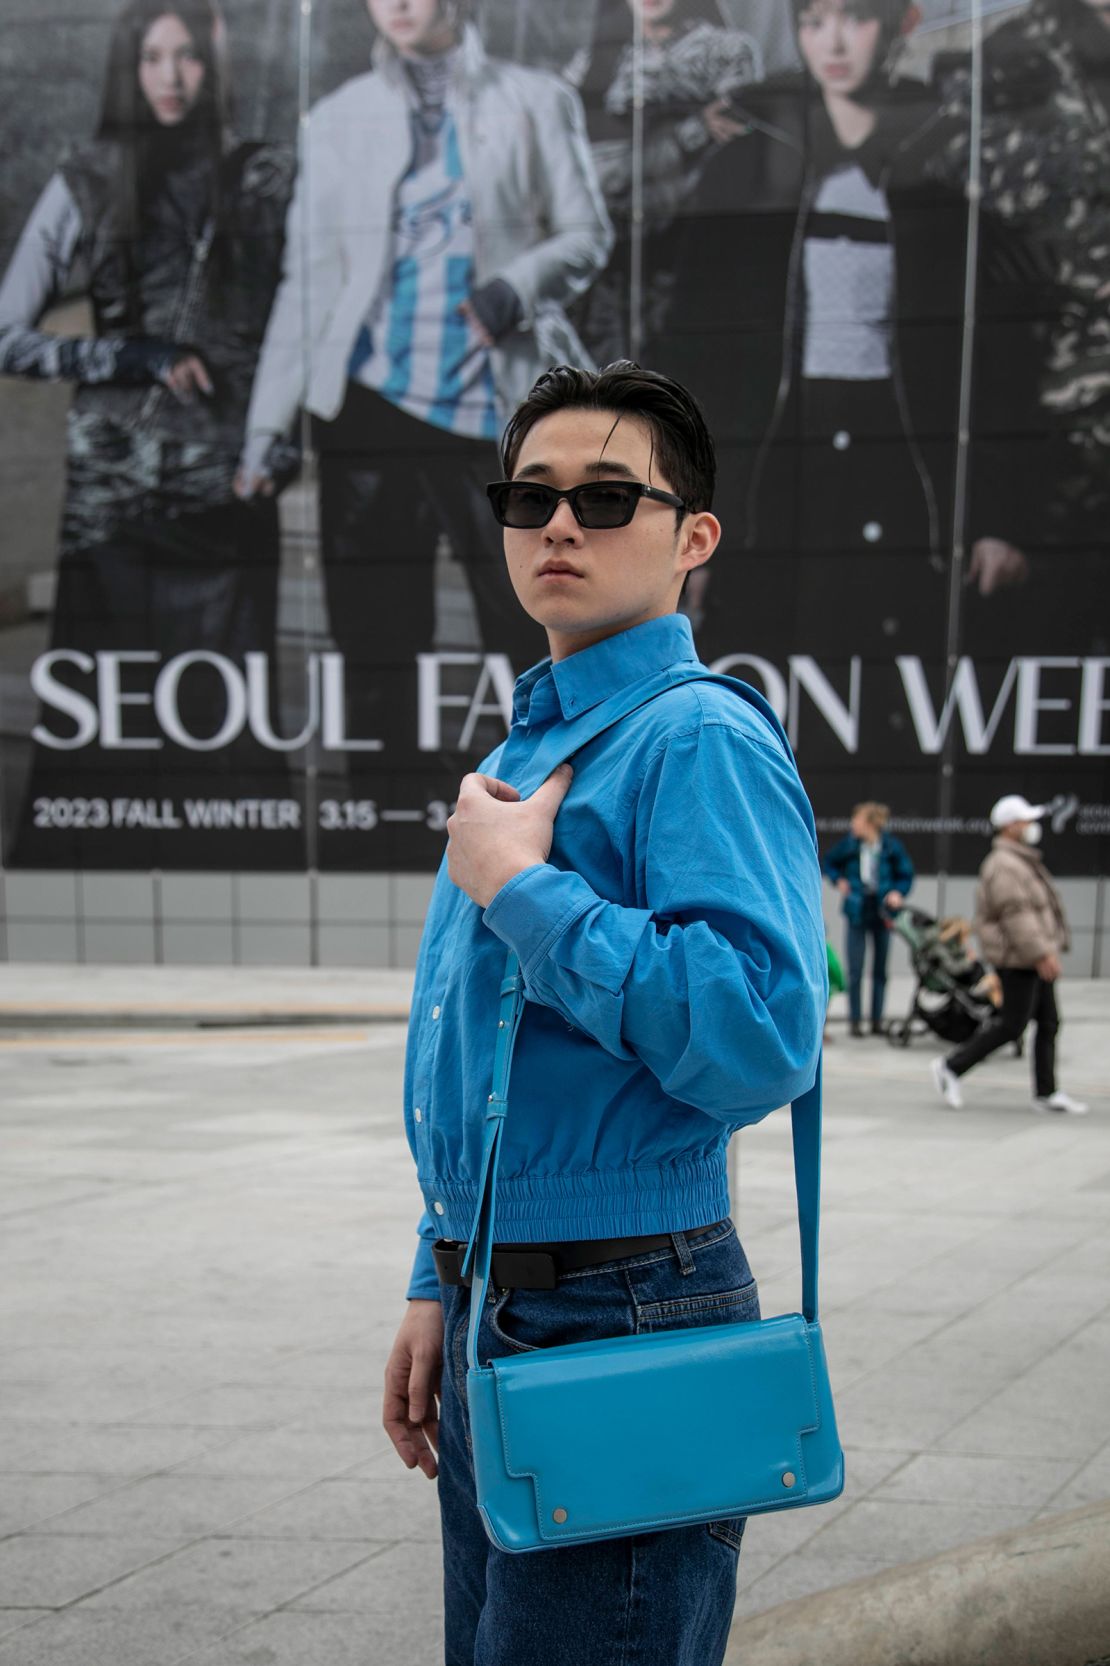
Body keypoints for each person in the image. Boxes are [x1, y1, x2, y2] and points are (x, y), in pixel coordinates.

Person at [380, 361, 826, 1666]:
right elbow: (493, 1065)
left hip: (627, 1299)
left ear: (692, 537)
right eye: (530, 496)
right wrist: (438, 1262)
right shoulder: (535, 748)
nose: (558, 524)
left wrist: (521, 886)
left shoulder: (695, 737)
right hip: (499, 1296)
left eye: (605, 495)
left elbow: (758, 1032)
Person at [236, 0, 613, 806]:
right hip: (368, 413)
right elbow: (309, 283)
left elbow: (588, 234)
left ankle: (534, 818)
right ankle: (387, 814)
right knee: (373, 639)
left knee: (526, 634)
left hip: (493, 415)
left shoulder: (536, 99)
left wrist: (513, 289)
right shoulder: (338, 118)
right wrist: (269, 420)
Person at [662, 0, 1032, 703]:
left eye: (854, 18)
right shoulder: (747, 166)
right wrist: (681, 523)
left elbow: (993, 360)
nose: (831, 42)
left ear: (901, 24)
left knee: (884, 677)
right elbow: (692, 362)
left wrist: (996, 515)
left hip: (902, 454)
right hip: (771, 458)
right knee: (757, 675)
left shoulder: (948, 163)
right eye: (812, 20)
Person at [0, 0, 299, 869]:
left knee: (224, 708)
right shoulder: (88, 178)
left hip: (230, 484)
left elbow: (304, 321)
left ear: (216, 65)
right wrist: (124, 355)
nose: (171, 76)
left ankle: (241, 879)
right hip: (113, 492)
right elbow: (8, 333)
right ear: (128, 68)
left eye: (188, 57)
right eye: (153, 57)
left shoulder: (262, 176)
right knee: (107, 703)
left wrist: (272, 441)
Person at [563, 0, 763, 365]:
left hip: (689, 262)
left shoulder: (728, 52)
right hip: (604, 272)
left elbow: (733, 162)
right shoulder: (593, 61)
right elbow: (568, 167)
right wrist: (688, 133)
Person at [931, 795, 1088, 1115]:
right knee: (1012, 1024)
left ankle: (1047, 1092)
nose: (1032, 826)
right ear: (1010, 826)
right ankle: (951, 1066)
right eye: (1026, 821)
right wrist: (1042, 953)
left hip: (1029, 955)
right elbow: (1016, 916)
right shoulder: (1005, 864)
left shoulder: (1020, 859)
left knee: (1048, 1021)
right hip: (1019, 958)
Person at [823, 800, 913, 1036]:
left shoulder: (890, 847)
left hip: (881, 910)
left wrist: (897, 892)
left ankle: (876, 1020)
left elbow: (905, 874)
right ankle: (855, 1020)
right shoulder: (850, 846)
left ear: (871, 824)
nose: (853, 824)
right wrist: (838, 880)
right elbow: (829, 862)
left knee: (880, 969)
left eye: (858, 820)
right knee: (856, 967)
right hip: (857, 909)